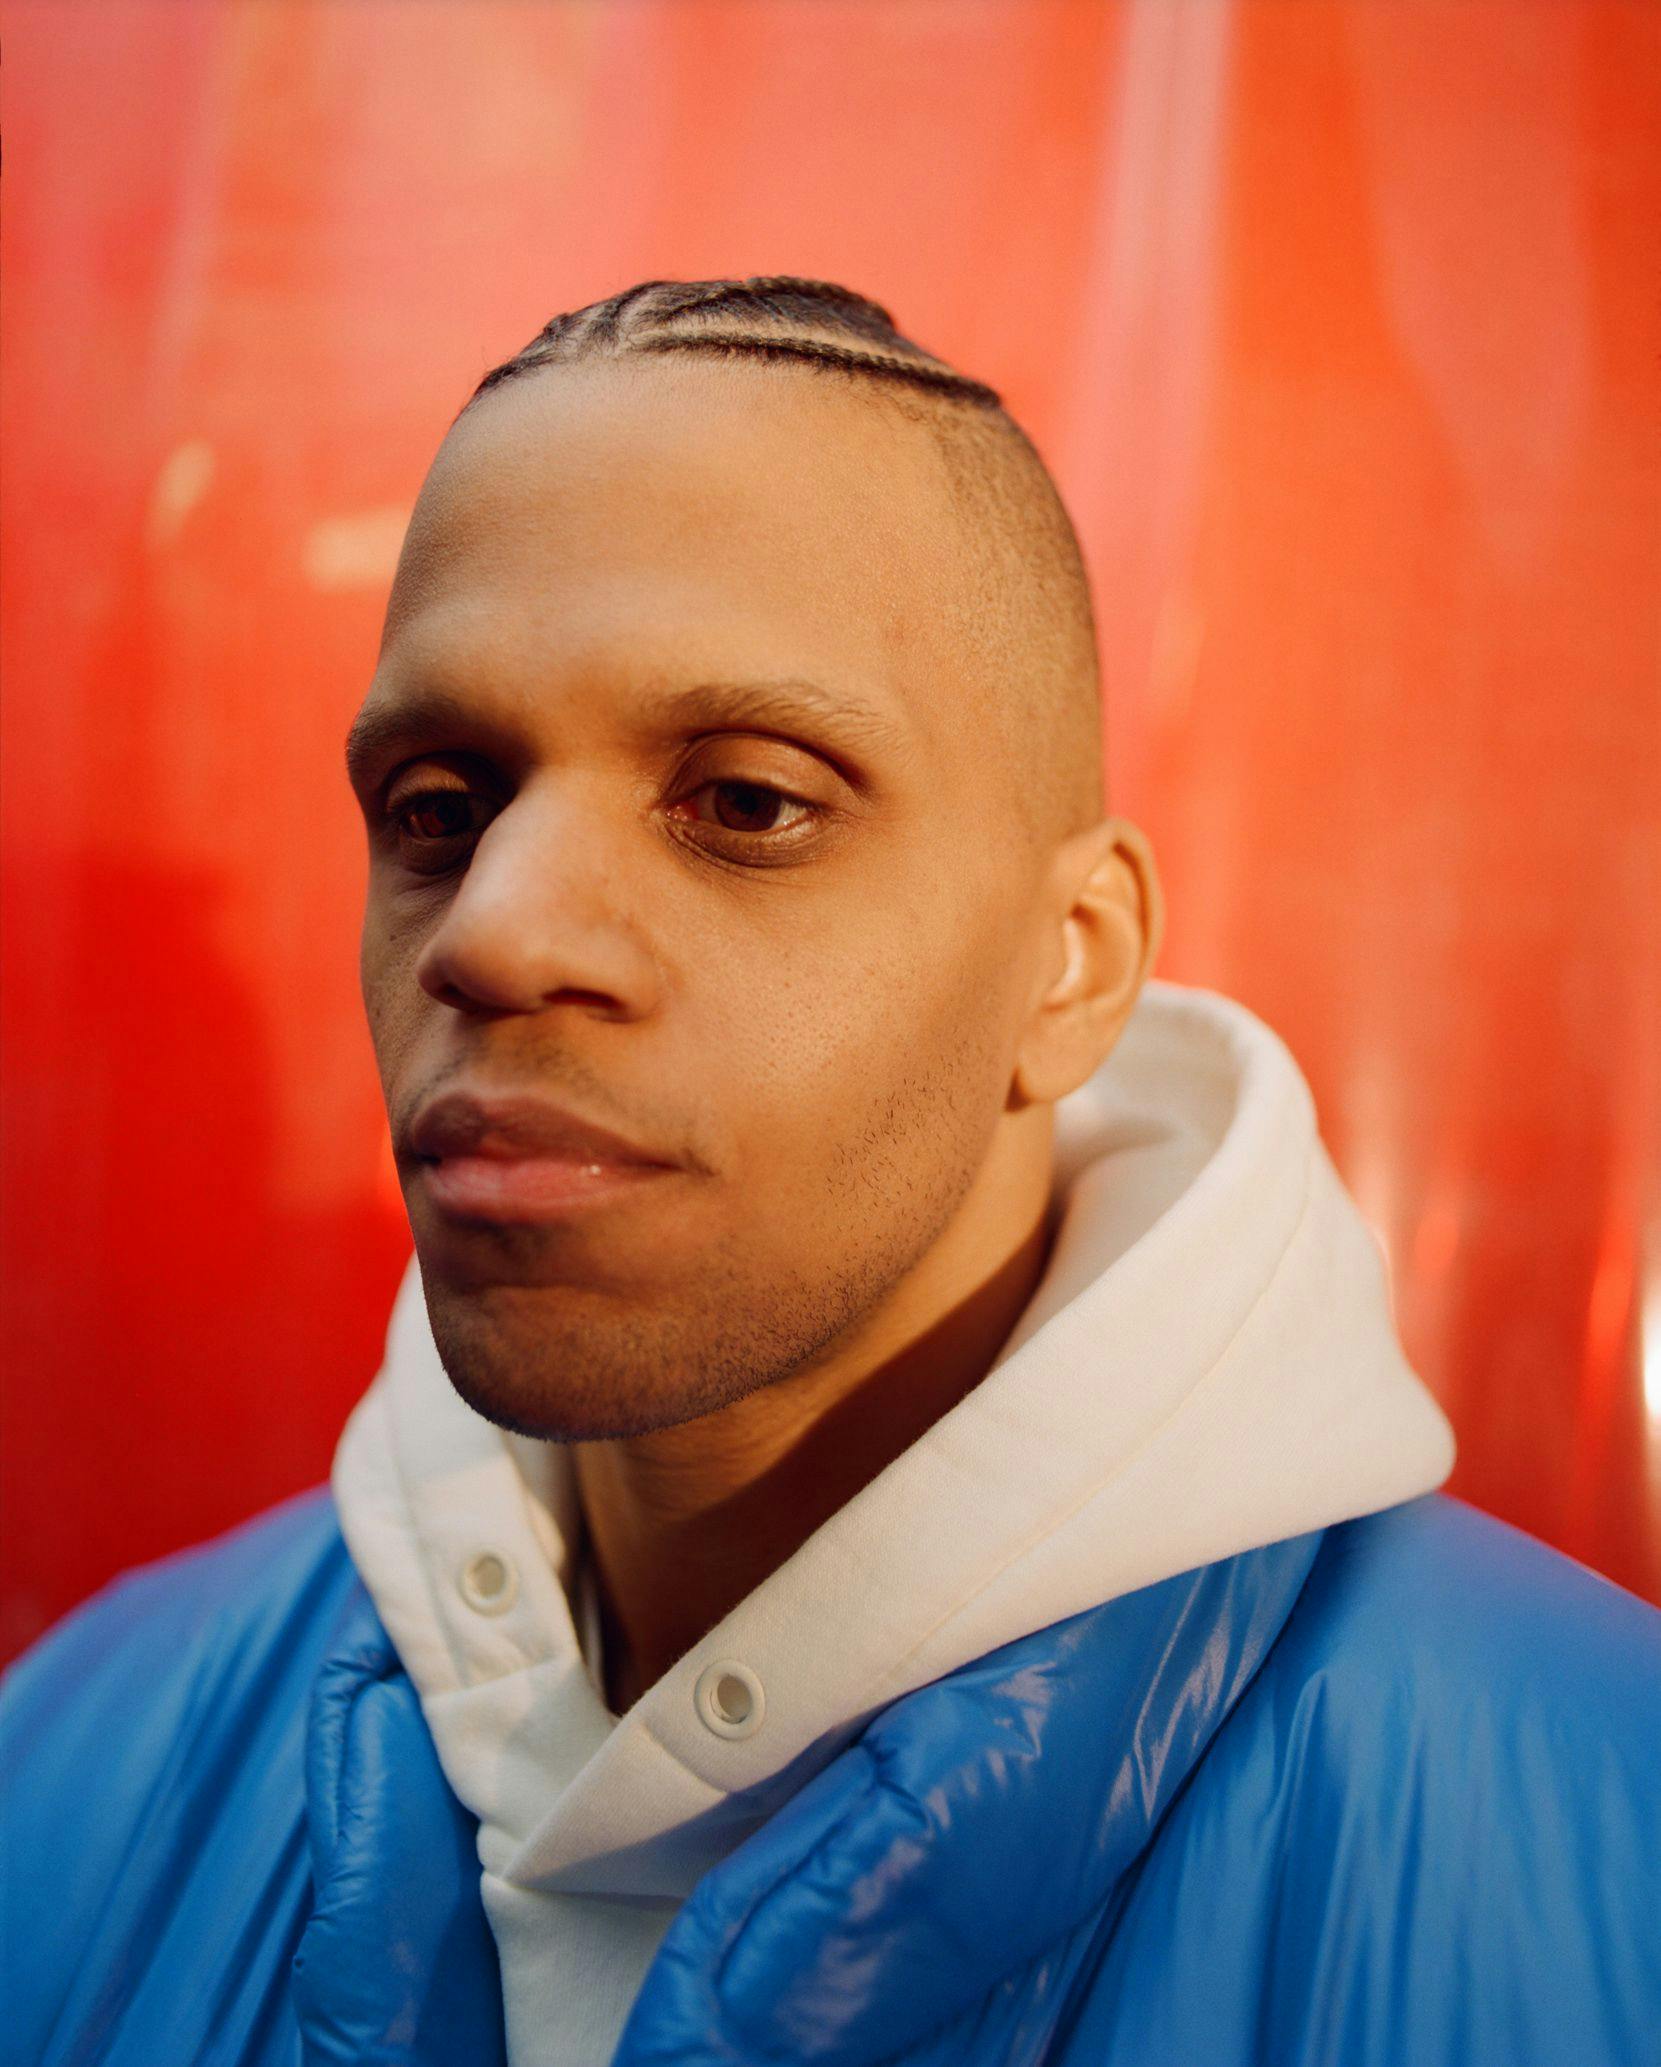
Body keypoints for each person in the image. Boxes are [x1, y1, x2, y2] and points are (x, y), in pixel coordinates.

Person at [3, 276, 1657, 2067]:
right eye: (437, 806)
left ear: (1073, 963)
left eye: (746, 802)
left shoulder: (1603, 1837)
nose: (493, 931)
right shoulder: (68, 1763)